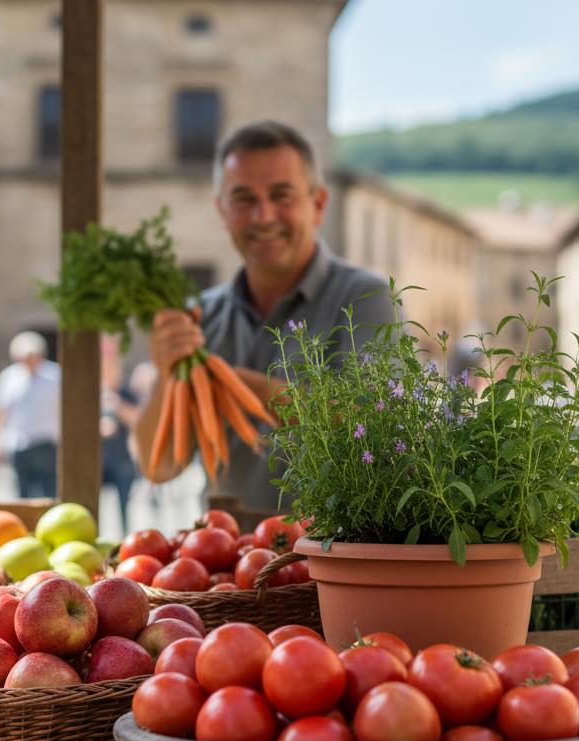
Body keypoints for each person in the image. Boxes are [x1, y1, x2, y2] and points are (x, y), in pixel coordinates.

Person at [134, 120, 393, 512]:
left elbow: (377, 431)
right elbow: (161, 466)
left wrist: (240, 387)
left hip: (334, 552)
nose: (262, 215)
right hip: (224, 554)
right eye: (242, 198)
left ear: (318, 204)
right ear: (222, 210)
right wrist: (167, 375)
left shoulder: (365, 298)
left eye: (281, 195)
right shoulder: (201, 317)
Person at [0, 331, 61, 499]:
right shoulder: (9, 377)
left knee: (49, 494)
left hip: (47, 444)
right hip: (18, 444)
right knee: (22, 494)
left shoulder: (55, 375)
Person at [100, 337, 140, 531]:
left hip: (122, 458)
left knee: (124, 504)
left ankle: (125, 535)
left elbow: (136, 419)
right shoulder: (94, 392)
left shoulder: (126, 392)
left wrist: (117, 406)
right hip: (99, 458)